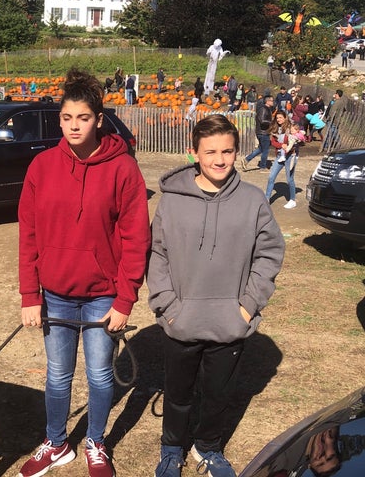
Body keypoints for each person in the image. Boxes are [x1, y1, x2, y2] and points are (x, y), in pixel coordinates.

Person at [17, 68, 151, 477]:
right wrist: (29, 295)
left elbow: (135, 239)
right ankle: (56, 443)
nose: (75, 126)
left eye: (84, 118)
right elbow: (29, 234)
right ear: (59, 119)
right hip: (55, 294)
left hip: (102, 297)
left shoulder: (123, 169)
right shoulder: (41, 166)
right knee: (57, 377)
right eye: (67, 118)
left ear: (99, 119)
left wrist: (125, 298)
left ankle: (95, 440)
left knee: (98, 375)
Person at [147, 114, 284, 477]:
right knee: (177, 394)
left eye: (227, 151)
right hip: (181, 321)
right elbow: (156, 253)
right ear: (194, 152)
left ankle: (208, 447)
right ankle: (172, 447)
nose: (219, 159)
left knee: (219, 395)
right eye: (210, 152)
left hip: (230, 323)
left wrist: (247, 307)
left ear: (237, 152)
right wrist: (167, 306)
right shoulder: (172, 201)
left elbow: (269, 254)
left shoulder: (253, 201)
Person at [264, 110, 299, 209]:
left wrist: (290, 145)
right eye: (277, 118)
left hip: (290, 156)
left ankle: (292, 200)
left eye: (280, 117)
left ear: (285, 117)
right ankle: (267, 198)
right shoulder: (275, 128)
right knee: (271, 177)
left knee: (289, 179)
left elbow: (297, 139)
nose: (278, 119)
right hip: (280, 156)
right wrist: (281, 145)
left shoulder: (290, 128)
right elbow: (273, 142)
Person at [241, 94, 274, 171]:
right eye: (272, 100)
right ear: (267, 101)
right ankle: (262, 166)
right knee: (265, 150)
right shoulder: (263, 109)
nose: (273, 102)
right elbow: (262, 121)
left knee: (260, 149)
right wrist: (271, 123)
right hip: (263, 132)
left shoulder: (267, 109)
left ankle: (246, 160)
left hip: (263, 132)